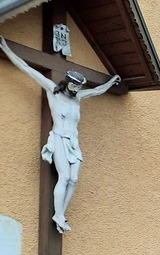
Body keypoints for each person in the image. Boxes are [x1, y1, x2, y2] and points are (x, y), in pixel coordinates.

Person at [1, 36, 120, 233]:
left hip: (73, 142)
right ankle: (59, 214)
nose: (77, 89)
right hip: (58, 138)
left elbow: (97, 91)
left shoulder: (78, 97)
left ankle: (60, 214)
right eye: (75, 85)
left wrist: (112, 82)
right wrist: (6, 47)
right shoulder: (52, 90)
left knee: (74, 179)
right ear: (68, 82)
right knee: (64, 177)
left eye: (79, 86)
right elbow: (25, 67)